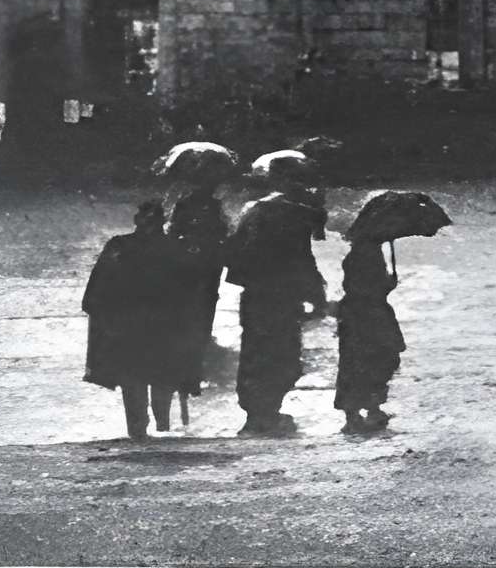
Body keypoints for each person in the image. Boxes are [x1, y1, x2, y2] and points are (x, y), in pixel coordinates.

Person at [82, 198, 197, 439]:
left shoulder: (126, 245)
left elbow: (186, 287)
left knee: (152, 376)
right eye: (146, 218)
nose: (148, 223)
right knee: (144, 376)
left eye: (152, 218)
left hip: (148, 320)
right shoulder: (166, 246)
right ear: (137, 220)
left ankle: (153, 427)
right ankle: (145, 428)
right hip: (141, 320)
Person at [226, 186, 327, 436]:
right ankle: (268, 413)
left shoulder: (254, 211)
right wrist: (317, 297)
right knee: (284, 354)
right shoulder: (296, 216)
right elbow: (304, 259)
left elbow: (233, 255)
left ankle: (257, 415)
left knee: (255, 353)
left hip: (254, 297)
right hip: (283, 298)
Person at [333, 226, 405, 435]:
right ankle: (366, 410)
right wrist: (387, 286)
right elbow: (366, 288)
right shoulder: (367, 255)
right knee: (377, 359)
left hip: (356, 314)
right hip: (369, 315)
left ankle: (360, 411)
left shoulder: (361, 253)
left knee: (357, 362)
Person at [165, 180, 230, 396]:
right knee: (204, 301)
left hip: (199, 260)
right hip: (203, 260)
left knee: (197, 302)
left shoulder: (189, 205)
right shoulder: (205, 206)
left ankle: (194, 345)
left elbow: (173, 231)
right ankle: (199, 342)